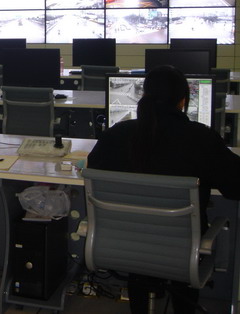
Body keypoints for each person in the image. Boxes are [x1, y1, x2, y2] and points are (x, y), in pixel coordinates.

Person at [87, 65, 240, 314]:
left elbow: (94, 173)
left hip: (125, 242)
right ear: (183, 101)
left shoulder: (115, 135)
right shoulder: (201, 138)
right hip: (182, 250)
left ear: (144, 96)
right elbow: (235, 187)